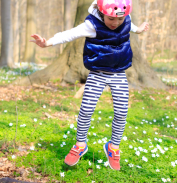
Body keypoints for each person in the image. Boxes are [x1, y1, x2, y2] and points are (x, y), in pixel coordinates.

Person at [30, 0, 149, 170]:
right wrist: (47, 43)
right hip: (97, 74)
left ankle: (113, 147)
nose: (115, 23)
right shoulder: (91, 24)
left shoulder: (125, 19)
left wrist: (139, 29)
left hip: (118, 73)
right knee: (86, 109)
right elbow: (69, 34)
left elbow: (131, 26)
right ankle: (80, 144)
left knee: (122, 111)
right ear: (102, 13)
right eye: (110, 19)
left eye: (119, 20)